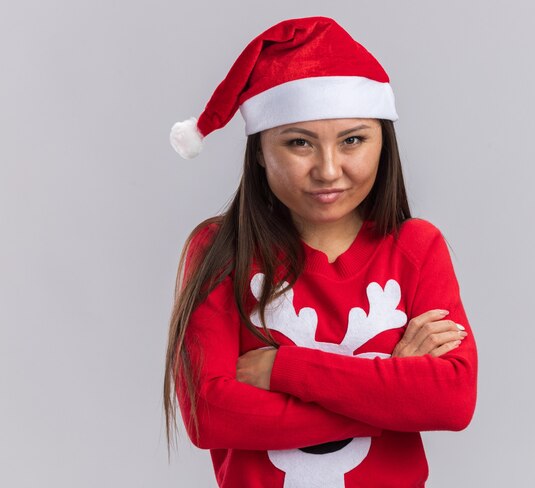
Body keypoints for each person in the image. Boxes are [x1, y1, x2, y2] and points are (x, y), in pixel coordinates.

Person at [163, 16, 478, 488]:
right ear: (259, 152)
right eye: (298, 143)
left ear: (382, 143)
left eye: (353, 140)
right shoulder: (220, 250)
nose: (329, 170)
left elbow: (451, 401)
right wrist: (390, 385)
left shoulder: (417, 247)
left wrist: (285, 369)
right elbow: (211, 415)